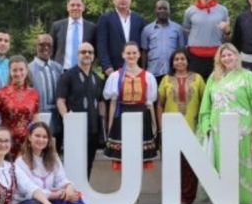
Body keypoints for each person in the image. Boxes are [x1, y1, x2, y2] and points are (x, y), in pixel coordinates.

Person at [15, 122, 109, 204]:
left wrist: (69, 188)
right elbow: (30, 189)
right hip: (33, 202)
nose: (41, 140)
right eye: (37, 136)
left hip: (51, 198)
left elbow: (61, 179)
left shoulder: (52, 157)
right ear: (29, 137)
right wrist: (59, 195)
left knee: (75, 198)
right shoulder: (20, 162)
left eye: (44, 137)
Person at [198, 43, 252, 204]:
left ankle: (246, 202)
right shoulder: (214, 78)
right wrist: (206, 126)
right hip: (219, 132)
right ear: (219, 59)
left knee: (243, 166)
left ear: (236, 56)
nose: (227, 58)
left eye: (230, 54)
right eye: (223, 55)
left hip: (244, 131)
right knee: (223, 166)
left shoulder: (248, 76)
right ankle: (225, 202)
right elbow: (206, 106)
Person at [156, 48, 206, 204]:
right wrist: (161, 127)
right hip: (170, 129)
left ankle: (187, 199)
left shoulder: (198, 79)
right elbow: (160, 104)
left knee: (190, 165)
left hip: (192, 128)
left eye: (182, 59)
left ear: (188, 61)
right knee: (172, 164)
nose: (179, 62)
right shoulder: (166, 80)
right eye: (176, 59)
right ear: (172, 63)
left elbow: (205, 103)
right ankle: (173, 198)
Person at [103, 41, 159, 169]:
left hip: (142, 116)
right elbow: (113, 103)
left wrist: (154, 124)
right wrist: (110, 125)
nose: (131, 56)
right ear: (123, 55)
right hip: (122, 115)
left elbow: (149, 104)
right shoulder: (116, 76)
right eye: (128, 53)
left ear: (139, 55)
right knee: (124, 157)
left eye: (134, 53)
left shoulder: (148, 76)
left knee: (139, 156)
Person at [56, 42, 106, 179]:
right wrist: (67, 120)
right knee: (73, 167)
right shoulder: (67, 76)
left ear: (94, 56)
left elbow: (101, 103)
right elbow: (60, 100)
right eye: (83, 52)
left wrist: (102, 124)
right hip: (75, 132)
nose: (87, 55)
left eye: (90, 52)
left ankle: (84, 191)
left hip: (93, 131)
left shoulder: (97, 78)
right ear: (78, 55)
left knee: (88, 166)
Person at [183, 0, 231, 82]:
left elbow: (227, 39)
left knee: (216, 88)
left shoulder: (223, 10)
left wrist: (227, 31)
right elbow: (187, 33)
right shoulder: (189, 11)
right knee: (195, 89)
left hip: (216, 58)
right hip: (195, 58)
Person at [0, 55, 40, 160]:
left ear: (26, 70)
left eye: (21, 70)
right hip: (7, 142)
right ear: (10, 72)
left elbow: (36, 120)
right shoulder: (1, 93)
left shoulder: (34, 94)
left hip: (27, 142)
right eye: (15, 70)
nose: (18, 73)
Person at [96, 0, 146, 77]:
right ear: (113, 0)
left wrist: (142, 67)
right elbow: (101, 45)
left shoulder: (139, 20)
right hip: (113, 69)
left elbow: (143, 46)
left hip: (135, 69)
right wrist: (106, 66)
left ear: (131, 0)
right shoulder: (105, 19)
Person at [140, 0, 186, 84]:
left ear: (169, 11)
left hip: (173, 72)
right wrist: (143, 71)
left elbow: (182, 51)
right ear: (155, 10)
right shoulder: (147, 30)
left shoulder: (178, 29)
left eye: (165, 9)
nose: (162, 11)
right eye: (159, 8)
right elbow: (144, 52)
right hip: (153, 72)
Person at [28, 34, 64, 139]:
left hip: (57, 120)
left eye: (49, 45)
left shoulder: (58, 68)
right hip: (37, 118)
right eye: (42, 44)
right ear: (36, 46)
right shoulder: (28, 69)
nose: (46, 48)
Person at [50, 0, 98, 70]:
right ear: (67, 7)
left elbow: (96, 51)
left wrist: (89, 66)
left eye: (78, 5)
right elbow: (51, 49)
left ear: (83, 7)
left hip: (83, 70)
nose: (75, 8)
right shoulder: (57, 26)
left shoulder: (91, 28)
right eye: (72, 5)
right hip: (61, 71)